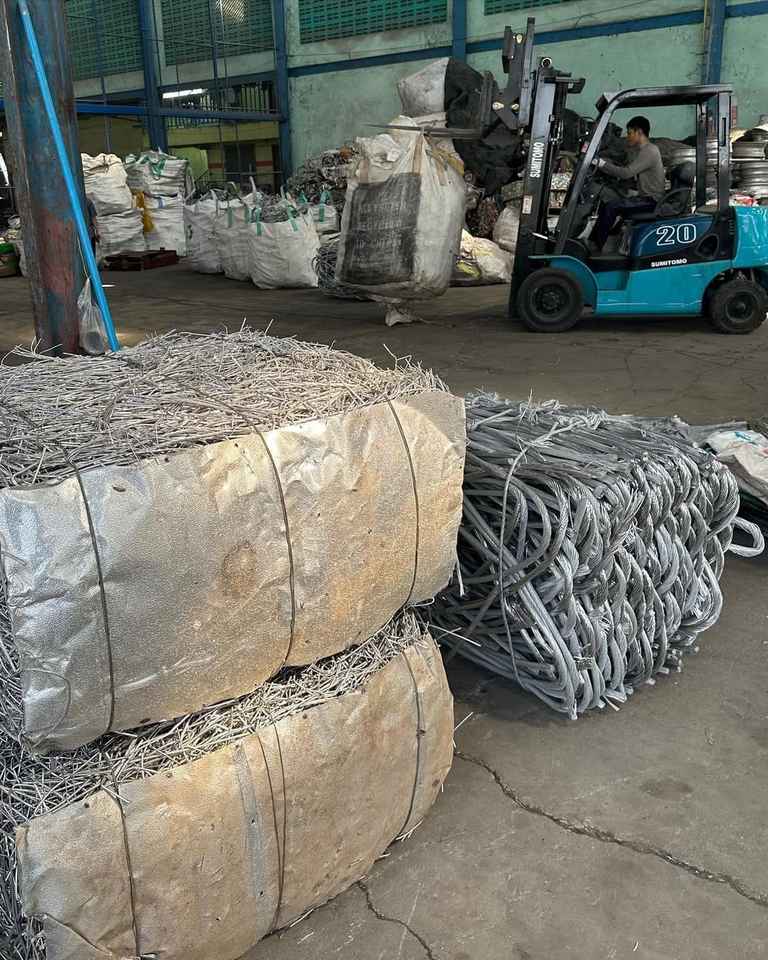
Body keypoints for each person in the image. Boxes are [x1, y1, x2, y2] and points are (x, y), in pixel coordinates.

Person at [589, 116, 665, 251]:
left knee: (611, 207)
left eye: (630, 133)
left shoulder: (649, 151)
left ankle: (595, 247)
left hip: (651, 201)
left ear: (639, 132)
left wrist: (600, 163)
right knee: (606, 203)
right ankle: (603, 242)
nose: (627, 136)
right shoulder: (642, 150)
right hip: (645, 198)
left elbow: (626, 173)